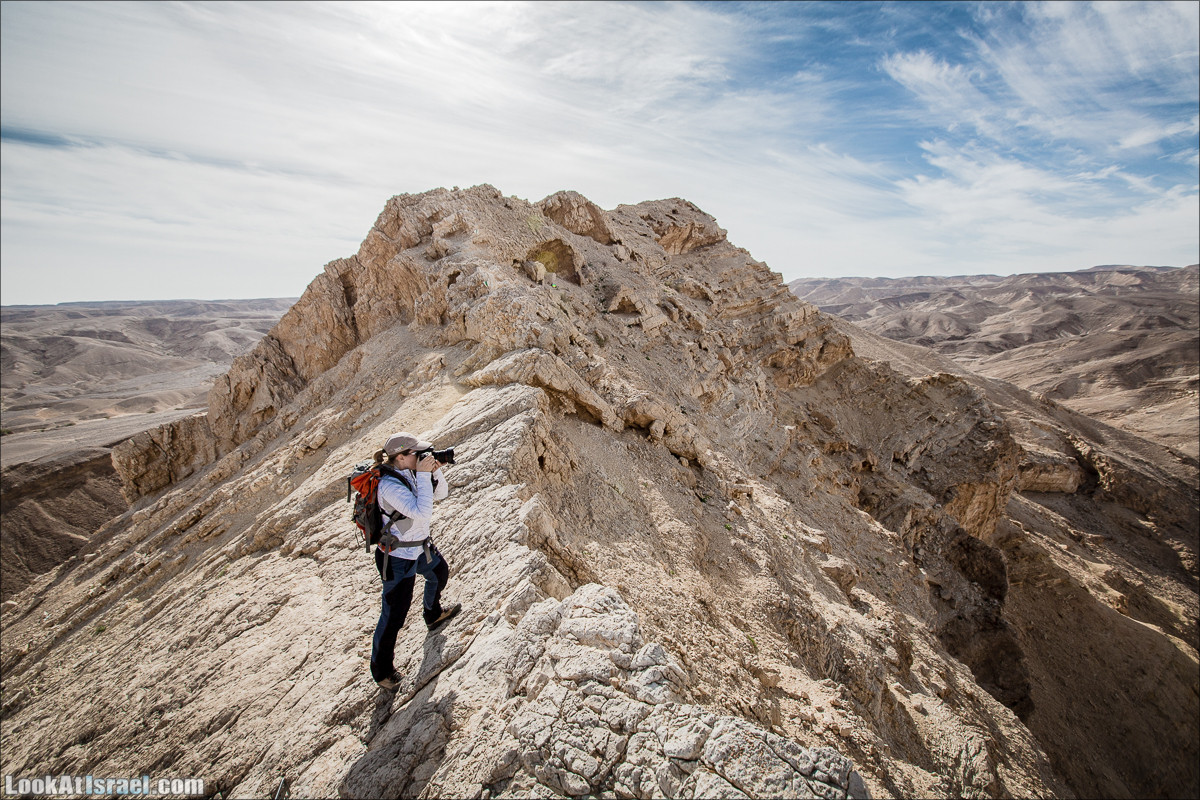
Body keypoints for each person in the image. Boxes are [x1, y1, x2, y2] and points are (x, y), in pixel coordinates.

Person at [369, 431, 461, 689]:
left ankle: (432, 615)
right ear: (400, 457)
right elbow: (422, 512)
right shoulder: (389, 486)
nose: (421, 456)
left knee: (440, 573)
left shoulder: (409, 472)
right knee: (394, 615)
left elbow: (440, 494)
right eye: (416, 454)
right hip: (397, 558)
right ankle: (382, 671)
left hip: (420, 548)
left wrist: (435, 471)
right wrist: (422, 474)